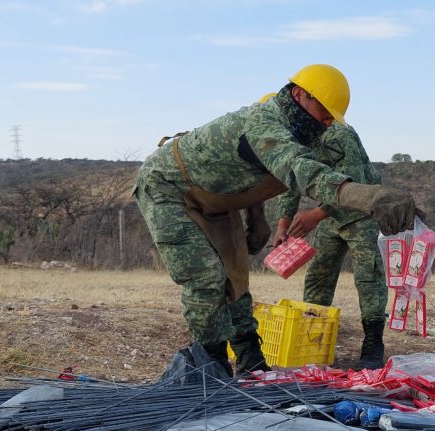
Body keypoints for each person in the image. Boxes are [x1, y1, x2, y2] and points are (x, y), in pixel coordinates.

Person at [133, 64, 415, 376]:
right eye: (324, 113)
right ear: (300, 95)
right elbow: (298, 170)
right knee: (206, 278)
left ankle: (251, 362)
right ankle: (209, 366)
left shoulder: (307, 133)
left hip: (218, 198)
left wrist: (257, 218)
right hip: (168, 187)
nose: (327, 122)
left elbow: (251, 177)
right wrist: (369, 198)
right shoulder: (264, 123)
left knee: (236, 280)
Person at [272, 123, 388, 369]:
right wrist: (283, 226)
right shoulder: (295, 140)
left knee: (368, 278)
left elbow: (354, 185)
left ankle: (373, 345)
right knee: (318, 276)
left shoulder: (339, 134)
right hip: (330, 216)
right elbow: (291, 182)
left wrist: (314, 216)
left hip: (362, 212)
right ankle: (312, 339)